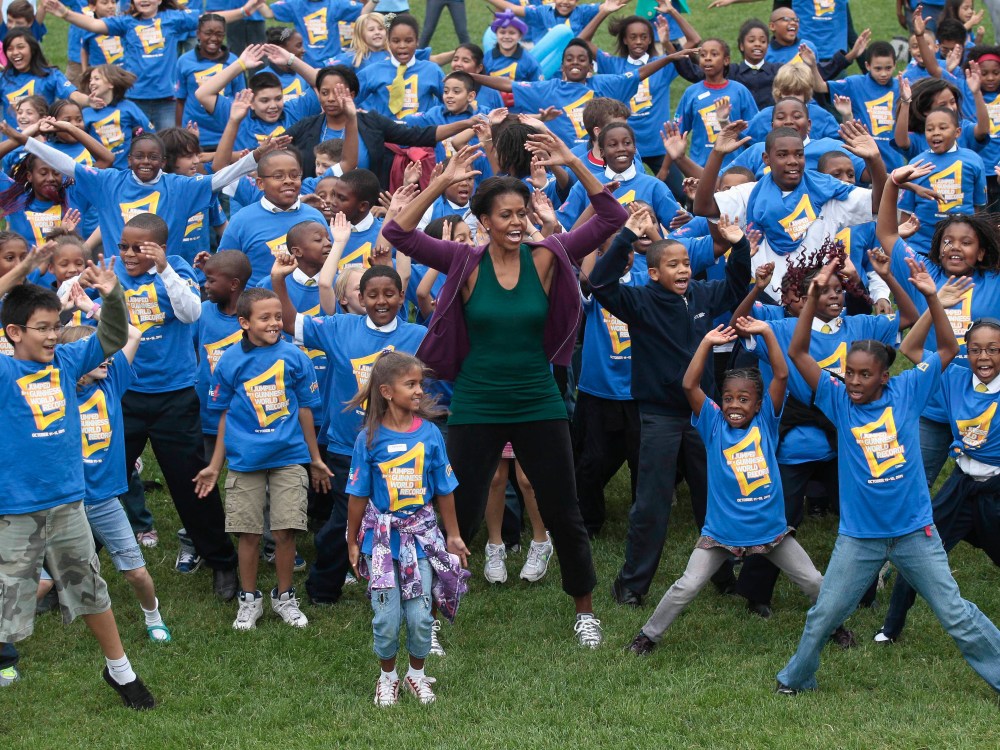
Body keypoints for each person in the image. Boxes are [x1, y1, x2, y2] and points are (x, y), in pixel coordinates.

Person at [383, 136, 629, 648]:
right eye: (506, 215)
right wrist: (440, 184)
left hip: (539, 399)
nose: (517, 222)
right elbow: (398, 233)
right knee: (459, 511)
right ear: (485, 221)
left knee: (563, 507)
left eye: (522, 213)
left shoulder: (549, 254)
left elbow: (610, 217)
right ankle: (432, 613)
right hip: (476, 403)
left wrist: (573, 161)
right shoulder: (464, 261)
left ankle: (584, 610)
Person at [775, 252, 1000, 696]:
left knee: (954, 611)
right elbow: (798, 351)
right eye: (848, 374)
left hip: (915, 532)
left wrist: (934, 298)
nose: (853, 381)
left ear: (884, 376)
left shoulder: (908, 390)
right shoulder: (837, 401)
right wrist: (815, 293)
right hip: (859, 536)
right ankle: (795, 677)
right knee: (825, 614)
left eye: (864, 375)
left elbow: (947, 348)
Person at [0, 252, 155, 709]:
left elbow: (110, 335)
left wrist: (112, 295)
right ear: (13, 333)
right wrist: (23, 269)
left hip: (69, 502)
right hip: (15, 507)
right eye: (42, 327)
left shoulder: (67, 361)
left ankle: (121, 672)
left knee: (88, 588)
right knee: (9, 599)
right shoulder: (4, 370)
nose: (52, 334)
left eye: (55, 325)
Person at [627, 319, 830, 655]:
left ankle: (834, 626)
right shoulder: (713, 423)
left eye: (744, 399)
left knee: (813, 581)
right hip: (721, 533)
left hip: (770, 531)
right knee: (687, 585)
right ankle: (648, 635)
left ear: (759, 404)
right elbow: (690, 384)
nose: (735, 405)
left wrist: (766, 333)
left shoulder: (767, 421)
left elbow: (781, 375)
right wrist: (706, 343)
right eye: (729, 398)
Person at [589, 198, 751, 607]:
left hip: (704, 417)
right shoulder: (638, 302)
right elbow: (601, 284)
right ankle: (632, 584)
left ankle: (723, 575)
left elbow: (735, 288)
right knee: (651, 504)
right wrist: (626, 235)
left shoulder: (701, 294)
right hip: (659, 416)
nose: (682, 269)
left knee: (713, 495)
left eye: (686, 263)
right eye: (673, 265)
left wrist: (739, 246)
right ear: (653, 271)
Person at [271, 259, 426, 608]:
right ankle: (323, 589)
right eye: (372, 295)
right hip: (348, 447)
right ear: (361, 297)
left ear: (403, 297)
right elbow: (291, 322)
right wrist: (278, 282)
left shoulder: (419, 337)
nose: (381, 301)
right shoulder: (340, 327)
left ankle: (406, 586)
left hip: (401, 448)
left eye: (389, 294)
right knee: (345, 520)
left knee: (404, 516)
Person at [113, 212, 240, 597]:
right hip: (124, 395)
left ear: (160, 248)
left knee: (191, 484)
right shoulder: (113, 273)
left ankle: (221, 561)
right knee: (105, 479)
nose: (129, 254)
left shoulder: (178, 269)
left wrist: (165, 269)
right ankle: (70, 567)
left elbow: (191, 312)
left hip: (174, 396)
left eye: (139, 248)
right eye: (123, 247)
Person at [194, 287, 331, 631]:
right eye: (265, 318)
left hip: (289, 457)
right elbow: (223, 414)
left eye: (278, 317)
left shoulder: (295, 356)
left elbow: (305, 411)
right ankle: (249, 599)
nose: (274, 323)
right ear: (244, 322)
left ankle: (285, 597)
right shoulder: (229, 361)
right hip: (244, 461)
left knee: (286, 530)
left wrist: (314, 458)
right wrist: (215, 464)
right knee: (248, 534)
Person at [345, 351, 470, 706]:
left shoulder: (430, 434)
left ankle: (416, 674)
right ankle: (388, 677)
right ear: (386, 391)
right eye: (410, 384)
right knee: (386, 617)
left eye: (420, 384)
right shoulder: (368, 439)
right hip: (381, 542)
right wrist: (354, 540)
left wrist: (454, 535)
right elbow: (357, 493)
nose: (418, 391)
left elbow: (444, 488)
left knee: (418, 617)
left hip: (421, 541)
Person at [877, 317, 1000, 643]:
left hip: (996, 492)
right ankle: (891, 630)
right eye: (975, 350)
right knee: (918, 550)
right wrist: (935, 306)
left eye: (993, 350)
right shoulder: (953, 377)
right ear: (965, 352)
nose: (984, 357)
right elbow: (910, 348)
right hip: (961, 485)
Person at [58, 315, 172, 644]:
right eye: (100, 352)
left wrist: (88, 307)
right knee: (41, 580)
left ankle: (153, 615)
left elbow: (133, 333)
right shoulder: (58, 391)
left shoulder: (111, 381)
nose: (108, 357)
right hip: (65, 502)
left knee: (136, 572)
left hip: (104, 499)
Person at [174, 14, 245, 149]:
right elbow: (180, 100)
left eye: (219, 34)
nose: (213, 38)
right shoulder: (184, 61)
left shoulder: (235, 62)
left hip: (226, 133)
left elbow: (240, 99)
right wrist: (180, 133)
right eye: (208, 33)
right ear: (198, 34)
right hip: (195, 134)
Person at [80, 65, 153, 171]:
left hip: (127, 172)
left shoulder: (128, 107)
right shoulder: (86, 113)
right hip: (101, 173)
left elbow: (150, 132)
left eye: (97, 79)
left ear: (111, 83)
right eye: (90, 80)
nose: (91, 83)